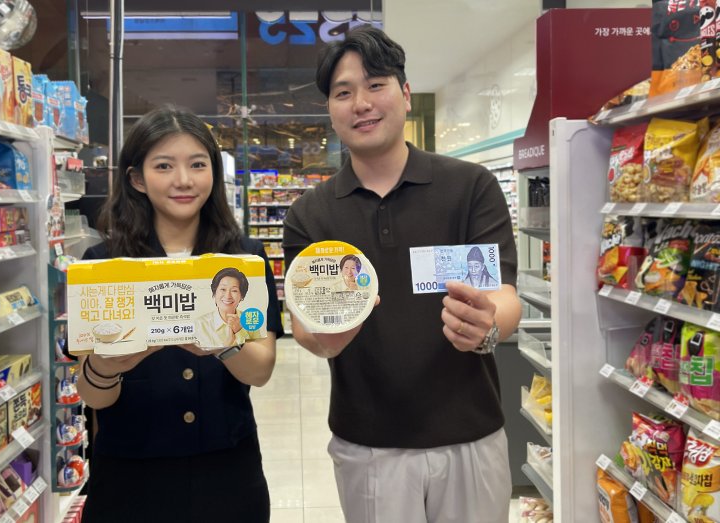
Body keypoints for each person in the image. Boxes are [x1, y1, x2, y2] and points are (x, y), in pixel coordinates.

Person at [283, 26, 521, 523]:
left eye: (376, 85)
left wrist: (487, 324)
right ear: (330, 110)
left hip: (471, 434)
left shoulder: (470, 187)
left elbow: (504, 296)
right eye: (343, 93)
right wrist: (327, 339)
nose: (361, 103)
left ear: (406, 94)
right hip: (368, 443)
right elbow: (304, 327)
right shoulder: (310, 214)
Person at [75, 106, 283, 522]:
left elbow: (260, 370)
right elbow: (93, 395)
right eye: (164, 166)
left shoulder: (245, 260)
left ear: (214, 174)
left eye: (198, 164)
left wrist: (221, 344)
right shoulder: (102, 265)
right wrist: (108, 365)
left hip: (228, 474)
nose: (184, 180)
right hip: (130, 480)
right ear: (137, 178)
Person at [194, 267, 267, 347]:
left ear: (242, 296)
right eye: (223, 289)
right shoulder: (200, 324)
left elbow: (257, 351)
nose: (228, 296)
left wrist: (239, 331)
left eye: (234, 290)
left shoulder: (250, 319)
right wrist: (228, 342)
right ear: (214, 292)